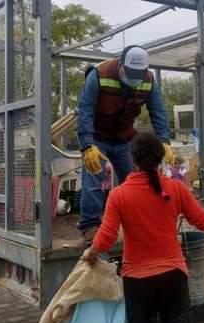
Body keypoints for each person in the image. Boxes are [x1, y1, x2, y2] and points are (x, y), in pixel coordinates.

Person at [83, 133, 204, 323]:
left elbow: (106, 237)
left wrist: (91, 253)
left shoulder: (119, 195)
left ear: (133, 160)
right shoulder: (175, 189)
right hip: (173, 279)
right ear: (159, 159)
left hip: (137, 283)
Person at [77, 45, 175, 246]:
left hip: (124, 138)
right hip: (97, 137)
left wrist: (164, 141)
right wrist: (87, 146)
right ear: (120, 65)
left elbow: (158, 111)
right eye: (131, 73)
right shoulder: (98, 75)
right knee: (93, 179)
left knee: (135, 180)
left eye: (139, 74)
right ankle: (90, 227)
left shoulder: (148, 80)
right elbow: (85, 110)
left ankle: (135, 221)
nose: (135, 78)